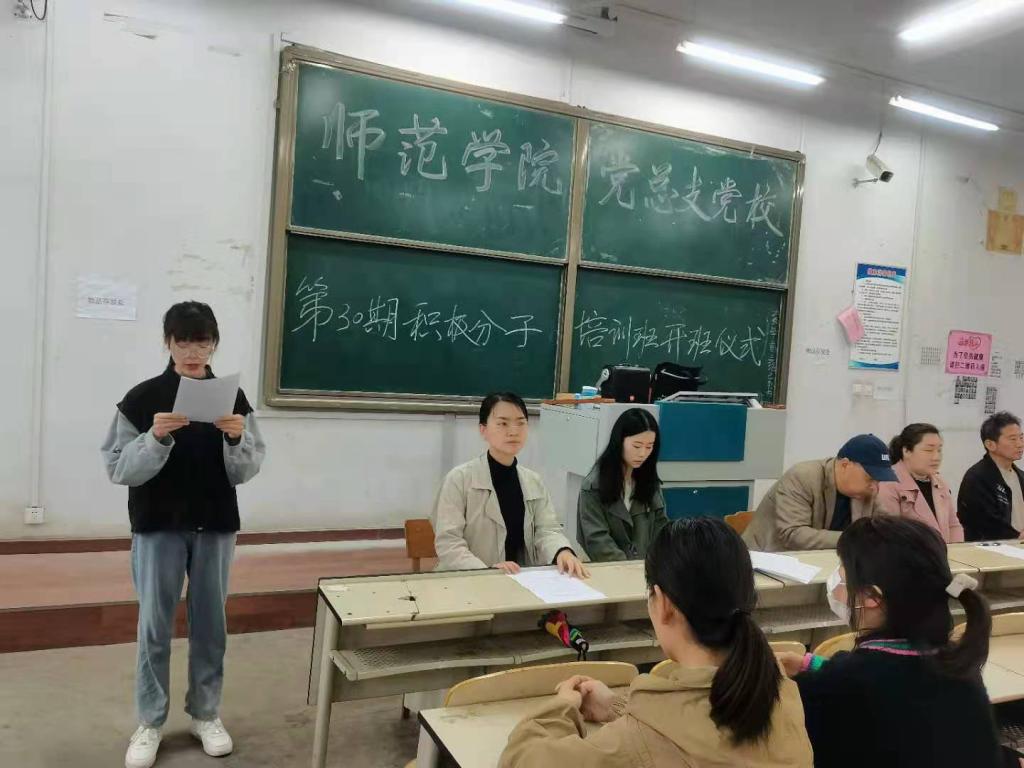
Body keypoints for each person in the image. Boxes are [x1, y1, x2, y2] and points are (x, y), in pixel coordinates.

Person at [499, 518, 813, 768]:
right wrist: (619, 708)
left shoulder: (635, 743)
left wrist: (562, 708)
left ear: (662, 603)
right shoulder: (781, 693)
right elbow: (694, 731)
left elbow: (522, 759)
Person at [101, 302, 266, 768]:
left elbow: (247, 469)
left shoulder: (232, 398)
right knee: (154, 625)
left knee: (211, 624)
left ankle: (205, 714)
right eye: (184, 342)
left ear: (214, 344)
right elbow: (118, 468)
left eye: (203, 342)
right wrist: (154, 438)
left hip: (215, 523)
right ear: (168, 343)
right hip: (158, 524)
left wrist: (236, 439)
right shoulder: (142, 398)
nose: (194, 352)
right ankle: (150, 722)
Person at [778, 517, 1000, 768]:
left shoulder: (832, 687)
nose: (837, 583)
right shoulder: (959, 664)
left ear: (872, 596)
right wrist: (812, 665)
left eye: (842, 571)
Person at [432, 392, 588, 577]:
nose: (513, 431)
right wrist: (487, 572)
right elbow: (449, 543)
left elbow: (547, 530)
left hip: (522, 579)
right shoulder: (459, 479)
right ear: (483, 430)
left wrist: (562, 551)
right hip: (471, 580)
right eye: (503, 423)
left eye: (520, 423)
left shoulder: (533, 481)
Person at [743, 434, 897, 552]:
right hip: (770, 562)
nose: (875, 487)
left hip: (823, 565)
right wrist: (854, 539)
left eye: (878, 480)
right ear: (845, 465)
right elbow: (793, 534)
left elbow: (885, 528)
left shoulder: (866, 490)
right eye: (870, 478)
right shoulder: (802, 477)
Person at [577, 408, 668, 561]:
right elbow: (597, 540)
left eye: (649, 447)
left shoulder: (650, 482)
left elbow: (662, 531)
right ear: (620, 442)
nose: (643, 454)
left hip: (648, 568)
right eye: (637, 446)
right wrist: (629, 569)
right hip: (611, 569)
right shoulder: (594, 486)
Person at [877, 424, 963, 543]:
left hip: (944, 552)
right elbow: (889, 534)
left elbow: (953, 525)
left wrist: (955, 550)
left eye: (939, 450)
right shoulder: (889, 483)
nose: (936, 457)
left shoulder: (940, 482)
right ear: (906, 451)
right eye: (928, 450)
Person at [958, 411, 1024, 541]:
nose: (1020, 444)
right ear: (990, 444)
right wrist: (1016, 537)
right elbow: (985, 522)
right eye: (1013, 439)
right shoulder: (976, 477)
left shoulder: (1020, 475)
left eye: (1021, 438)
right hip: (992, 548)